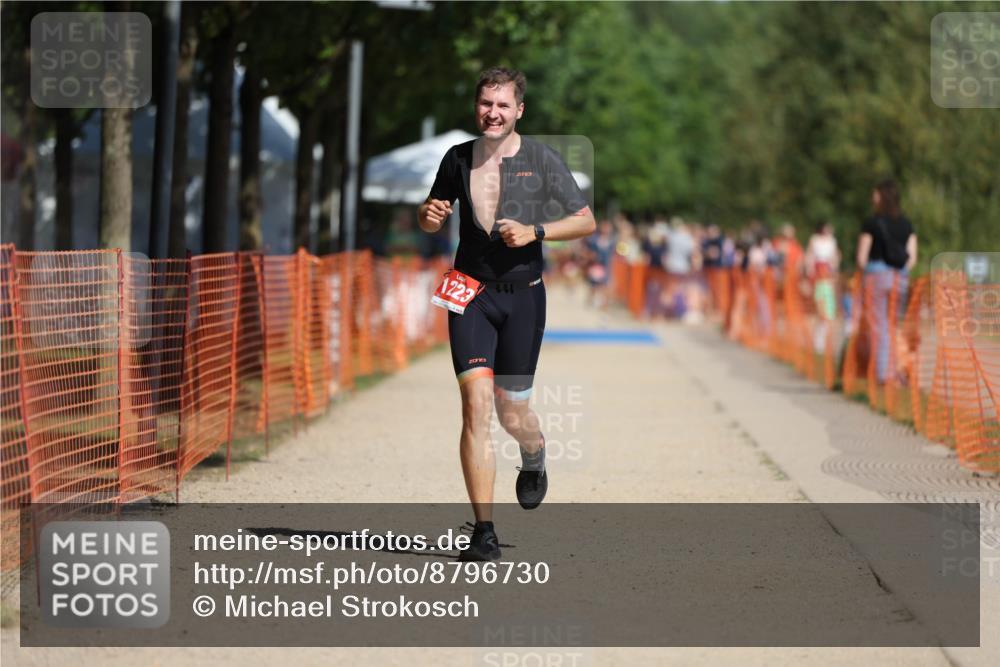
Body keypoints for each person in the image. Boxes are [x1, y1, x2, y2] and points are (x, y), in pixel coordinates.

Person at [417, 67, 595, 561]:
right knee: (475, 406)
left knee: (511, 412)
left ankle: (533, 451)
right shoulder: (457, 158)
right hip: (470, 294)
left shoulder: (542, 159)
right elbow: (432, 215)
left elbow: (585, 221)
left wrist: (536, 231)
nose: (492, 113)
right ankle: (484, 531)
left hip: (523, 297)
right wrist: (427, 216)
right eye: (485, 103)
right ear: (476, 106)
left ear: (519, 110)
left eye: (502, 105)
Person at [855, 178, 917, 384]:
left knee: (879, 325)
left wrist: (866, 275)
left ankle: (884, 375)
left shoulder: (871, 224)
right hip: (901, 278)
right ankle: (900, 370)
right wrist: (899, 272)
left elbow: (862, 258)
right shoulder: (907, 224)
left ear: (881, 197)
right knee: (894, 326)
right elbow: (912, 258)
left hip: (877, 277)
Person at [805, 222, 841, 353]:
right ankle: (817, 341)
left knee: (828, 310)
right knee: (819, 308)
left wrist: (833, 270)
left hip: (827, 276)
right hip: (817, 276)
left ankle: (823, 341)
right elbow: (809, 257)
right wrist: (809, 272)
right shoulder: (814, 240)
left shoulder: (832, 241)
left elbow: (835, 258)